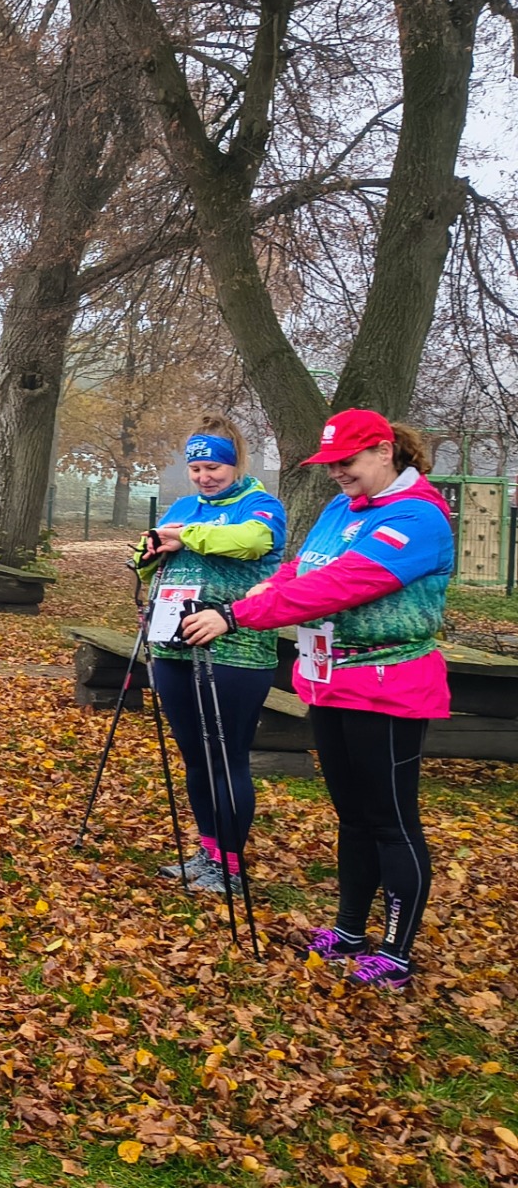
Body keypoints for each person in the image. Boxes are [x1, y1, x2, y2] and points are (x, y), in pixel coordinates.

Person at [181, 410, 453, 990]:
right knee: (352, 817)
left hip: (391, 685)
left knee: (390, 820)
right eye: (330, 464)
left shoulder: (418, 516)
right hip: (330, 680)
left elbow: (343, 583)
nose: (337, 473)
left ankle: (397, 952)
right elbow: (304, 569)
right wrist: (273, 584)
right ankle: (350, 929)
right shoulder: (340, 509)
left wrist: (239, 613)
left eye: (346, 462)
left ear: (384, 451)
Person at [132, 414, 287, 894]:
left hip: (236, 649)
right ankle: (208, 851)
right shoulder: (183, 506)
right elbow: (147, 558)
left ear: (235, 463)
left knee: (226, 757)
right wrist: (147, 554)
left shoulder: (259, 504)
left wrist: (186, 536)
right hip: (174, 646)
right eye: (196, 469)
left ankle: (231, 866)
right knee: (195, 757)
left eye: (214, 468)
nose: (204, 477)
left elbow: (251, 542)